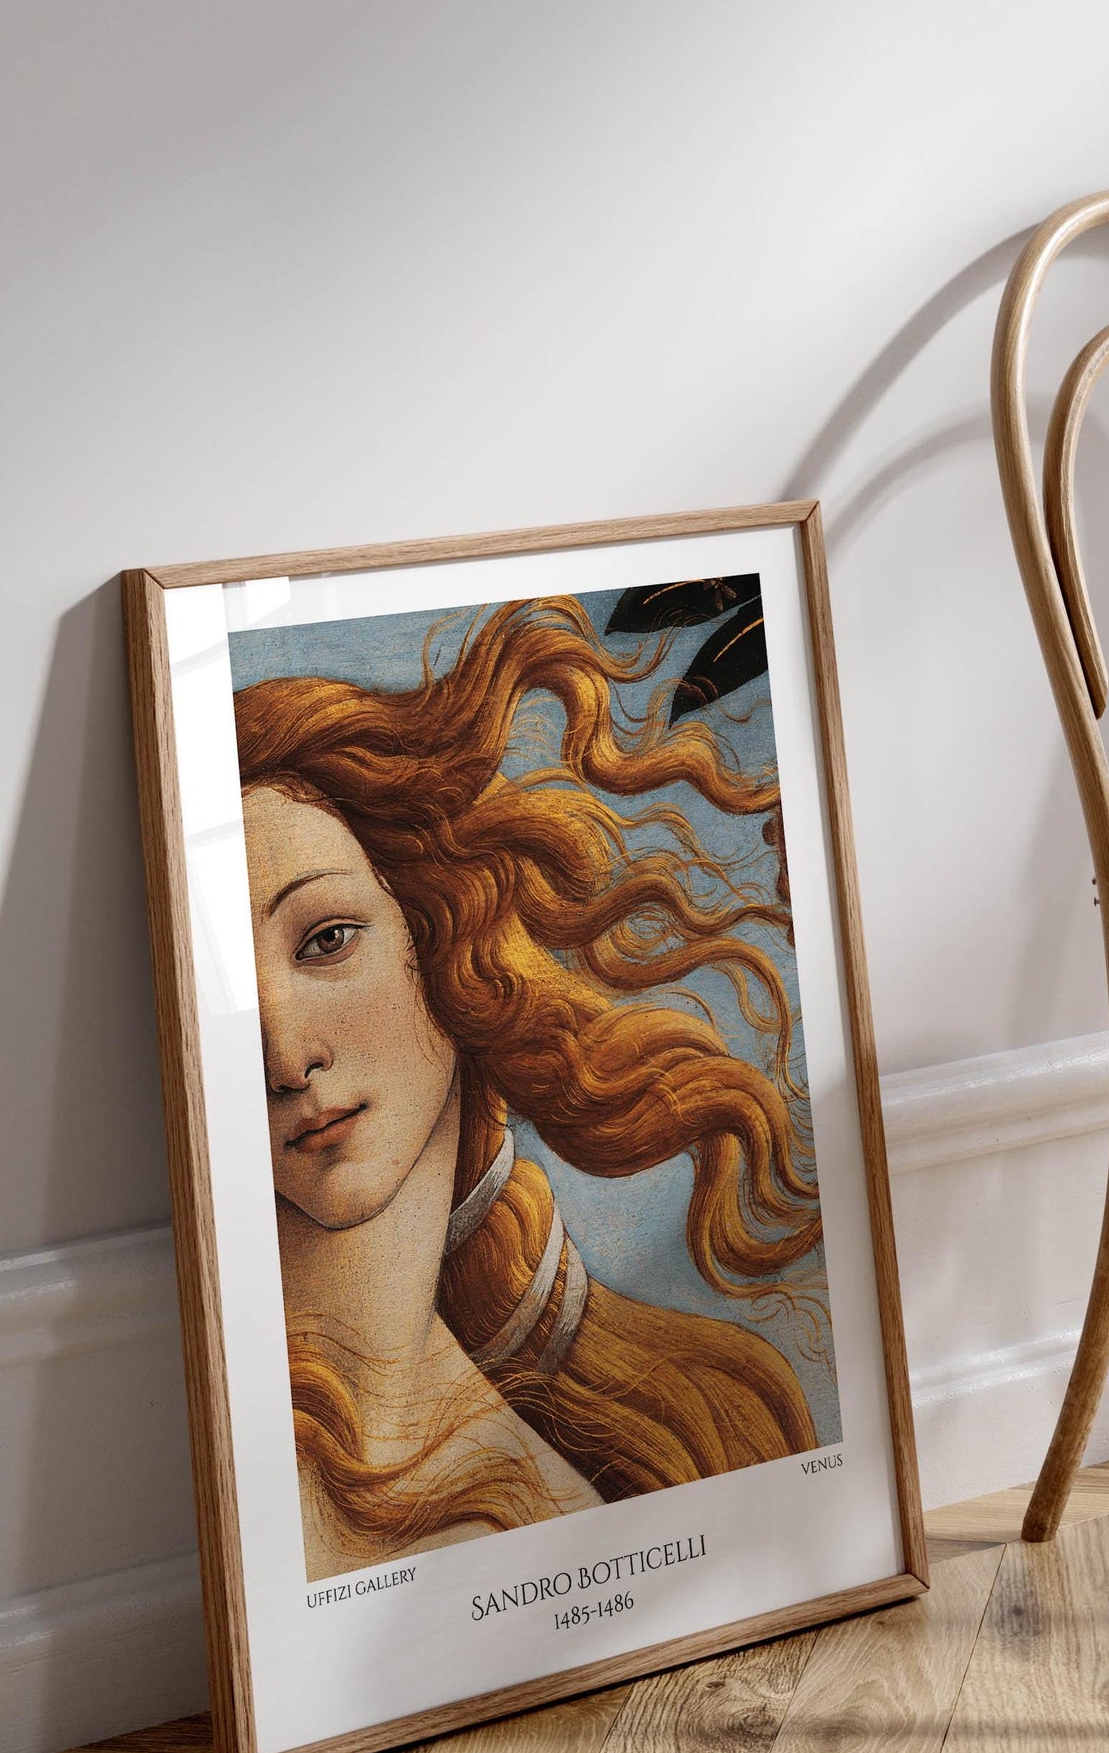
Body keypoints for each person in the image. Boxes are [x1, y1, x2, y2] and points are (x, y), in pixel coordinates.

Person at [236, 595, 821, 1579]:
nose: (286, 1056)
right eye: (219, 994)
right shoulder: (282, 1493)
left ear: (442, 932)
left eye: (326, 939)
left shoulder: (578, 1440)